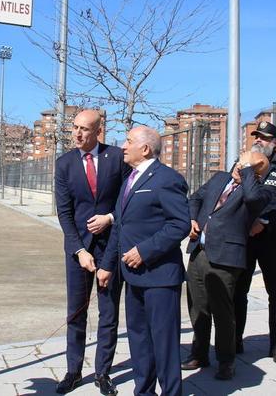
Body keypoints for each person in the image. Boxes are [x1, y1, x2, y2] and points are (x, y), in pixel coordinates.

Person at [97, 126, 190, 396]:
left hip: (160, 277)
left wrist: (145, 251)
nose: (123, 147)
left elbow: (179, 224)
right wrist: (106, 265)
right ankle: (144, 391)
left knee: (164, 343)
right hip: (131, 276)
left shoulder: (166, 179)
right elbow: (120, 226)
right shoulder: (130, 179)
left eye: (128, 142)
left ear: (146, 148)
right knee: (139, 341)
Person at [182, 151, 276, 380]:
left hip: (226, 258)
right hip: (199, 251)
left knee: (222, 312)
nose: (238, 166)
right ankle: (199, 353)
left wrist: (248, 172)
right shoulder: (219, 178)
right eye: (238, 161)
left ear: (254, 171)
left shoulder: (262, 192)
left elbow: (253, 200)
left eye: (244, 165)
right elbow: (195, 198)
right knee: (197, 307)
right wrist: (192, 218)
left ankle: (226, 360)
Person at [55, 109, 130, 395]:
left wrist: (109, 218)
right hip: (77, 252)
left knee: (108, 313)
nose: (77, 133)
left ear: (99, 131)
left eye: (84, 129)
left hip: (111, 249)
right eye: (74, 127)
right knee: (76, 313)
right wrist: (78, 250)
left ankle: (103, 373)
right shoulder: (64, 164)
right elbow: (64, 213)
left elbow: (126, 201)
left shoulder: (116, 158)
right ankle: (73, 371)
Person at [233, 121, 276, 364]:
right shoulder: (243, 165)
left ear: (274, 143)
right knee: (239, 290)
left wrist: (265, 221)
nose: (258, 141)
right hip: (245, 238)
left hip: (270, 238)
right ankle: (235, 339)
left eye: (264, 138)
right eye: (256, 137)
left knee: (275, 292)